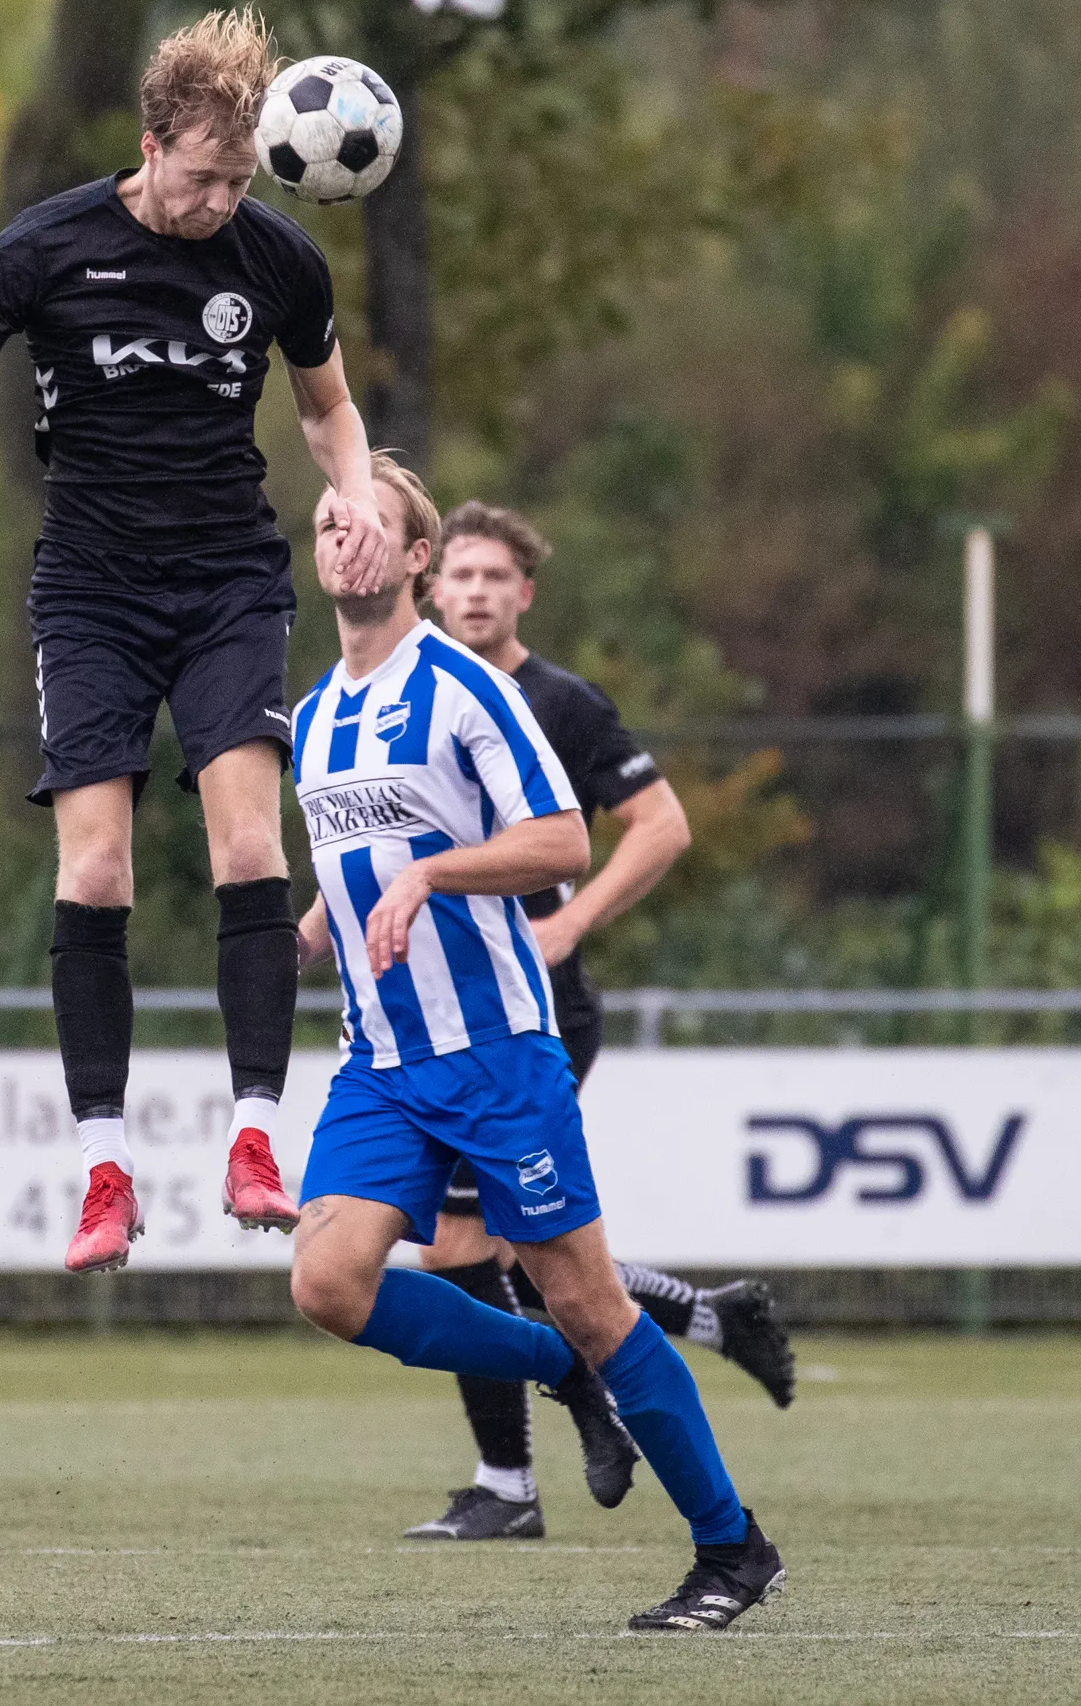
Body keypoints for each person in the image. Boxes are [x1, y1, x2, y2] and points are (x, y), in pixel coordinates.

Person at [0, 10, 394, 1273]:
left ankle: (255, 1138)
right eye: (204, 177)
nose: (223, 202)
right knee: (98, 870)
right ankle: (106, 1171)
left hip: (228, 582)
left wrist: (363, 495)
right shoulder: (41, 249)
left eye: (242, 181)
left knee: (246, 845)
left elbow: (328, 412)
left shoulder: (278, 261)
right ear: (151, 144)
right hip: (92, 593)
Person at [286, 455, 786, 1632]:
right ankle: (561, 1371)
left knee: (591, 1301)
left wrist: (433, 874)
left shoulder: (467, 689)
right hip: (381, 1062)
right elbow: (352, 877)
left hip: (497, 1053)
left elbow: (563, 841)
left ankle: (732, 1549)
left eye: (369, 522)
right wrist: (292, 939)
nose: (343, 534)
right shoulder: (309, 717)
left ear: (416, 559)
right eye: (328, 519)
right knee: (327, 1281)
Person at [401, 501, 797, 1543]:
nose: (476, 591)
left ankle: (508, 1484)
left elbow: (663, 824)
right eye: (461, 575)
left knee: (464, 1244)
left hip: (534, 1013)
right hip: (439, 1013)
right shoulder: (410, 697)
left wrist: (572, 924)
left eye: (496, 576)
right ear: (431, 589)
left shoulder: (561, 703)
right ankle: (705, 1317)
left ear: (525, 593)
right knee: (500, 1250)